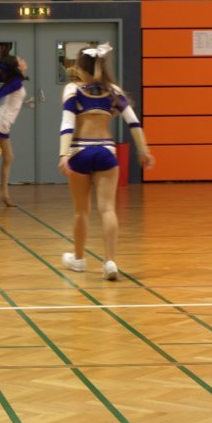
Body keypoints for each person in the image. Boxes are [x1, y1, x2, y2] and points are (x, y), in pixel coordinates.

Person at [58, 44, 153, 281]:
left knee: (81, 211)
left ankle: (79, 259)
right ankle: (110, 262)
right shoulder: (113, 91)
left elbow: (67, 124)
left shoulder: (72, 89)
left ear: (80, 67)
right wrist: (143, 150)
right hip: (106, 152)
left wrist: (62, 155)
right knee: (108, 209)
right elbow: (133, 122)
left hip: (79, 151)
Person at [0, 55, 28, 207]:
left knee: (9, 157)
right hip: (0, 121)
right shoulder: (16, 82)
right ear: (17, 67)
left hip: (2, 122)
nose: (24, 61)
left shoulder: (16, 80)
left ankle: (3, 193)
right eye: (21, 60)